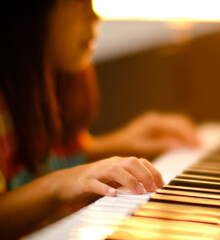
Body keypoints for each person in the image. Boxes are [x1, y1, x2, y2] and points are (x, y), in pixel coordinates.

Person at [0, 0, 199, 239]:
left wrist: (120, 143)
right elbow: (60, 178)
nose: (95, 17)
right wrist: (59, 184)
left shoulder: (51, 80)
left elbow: (48, 162)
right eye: (82, 3)